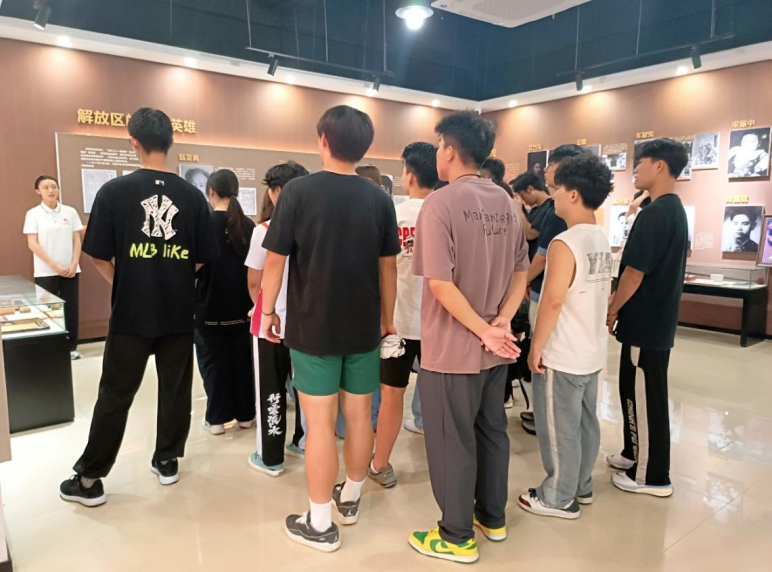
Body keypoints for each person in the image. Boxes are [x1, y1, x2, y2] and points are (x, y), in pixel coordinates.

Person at [58, 108, 217, 507]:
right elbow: (200, 259)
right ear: (171, 141)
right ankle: (167, 460)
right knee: (176, 389)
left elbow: (97, 254)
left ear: (133, 142)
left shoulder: (114, 192)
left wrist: (127, 281)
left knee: (115, 393)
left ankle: (90, 479)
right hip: (178, 311)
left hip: (131, 312)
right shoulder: (193, 197)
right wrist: (175, 277)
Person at [260, 105, 399, 552]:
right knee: (359, 416)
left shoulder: (297, 192)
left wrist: (267, 312)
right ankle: (350, 497)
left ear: (323, 140)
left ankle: (319, 524)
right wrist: (388, 319)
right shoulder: (379, 199)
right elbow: (389, 267)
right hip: (364, 328)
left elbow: (275, 261)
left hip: (312, 327)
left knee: (319, 424)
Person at [408, 111, 529, 564]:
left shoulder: (440, 203)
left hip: (453, 349)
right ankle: (491, 517)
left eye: (439, 146)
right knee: (491, 431)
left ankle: (456, 536)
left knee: (451, 440)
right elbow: (521, 271)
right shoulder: (506, 201)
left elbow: (441, 285)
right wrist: (501, 324)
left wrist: (484, 330)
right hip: (494, 350)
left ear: (449, 151)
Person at [518, 154, 613, 519]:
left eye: (557, 189)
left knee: (559, 428)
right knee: (586, 422)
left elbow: (553, 300)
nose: (553, 195)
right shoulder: (600, 238)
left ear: (573, 194)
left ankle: (558, 496)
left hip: (563, 353)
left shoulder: (565, 242)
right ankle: (581, 484)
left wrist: (536, 346)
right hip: (591, 351)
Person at [606, 138, 689, 498]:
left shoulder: (657, 214)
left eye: (640, 163)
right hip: (650, 322)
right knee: (632, 389)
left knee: (644, 394)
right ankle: (633, 452)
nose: (635, 169)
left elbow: (634, 273)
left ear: (659, 166)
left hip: (647, 323)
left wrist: (612, 307)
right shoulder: (668, 209)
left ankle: (651, 476)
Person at [368, 142, 438, 489]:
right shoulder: (446, 214)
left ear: (408, 176)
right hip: (441, 325)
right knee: (440, 398)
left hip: (395, 323)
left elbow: (378, 270)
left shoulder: (394, 216)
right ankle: (446, 468)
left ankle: (380, 464)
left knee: (391, 395)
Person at [245, 161, 310, 476]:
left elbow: (254, 282)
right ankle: (304, 442)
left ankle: (270, 457)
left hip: (270, 323)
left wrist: (264, 308)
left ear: (277, 191)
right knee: (307, 387)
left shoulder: (264, 230)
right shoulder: (315, 228)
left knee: (270, 388)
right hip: (306, 323)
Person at [521, 144, 586, 435]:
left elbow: (542, 256)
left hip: (545, 292)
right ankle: (542, 412)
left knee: (543, 353)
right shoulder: (557, 209)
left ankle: (544, 416)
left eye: (550, 165)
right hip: (545, 293)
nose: (545, 170)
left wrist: (522, 282)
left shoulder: (559, 211)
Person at [194, 169, 256, 436]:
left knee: (213, 366)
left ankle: (217, 420)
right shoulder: (249, 226)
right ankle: (246, 416)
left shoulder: (203, 224)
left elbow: (194, 269)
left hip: (209, 309)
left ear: (211, 192)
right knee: (243, 364)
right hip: (243, 310)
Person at [23, 175, 84, 360]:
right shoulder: (33, 214)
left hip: (71, 270)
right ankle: (49, 349)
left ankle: (71, 347)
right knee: (48, 309)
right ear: (38, 191)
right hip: (46, 271)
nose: (51, 190)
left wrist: (74, 263)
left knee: (70, 309)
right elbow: (32, 244)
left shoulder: (70, 212)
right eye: (46, 187)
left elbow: (76, 239)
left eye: (54, 186)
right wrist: (55, 266)